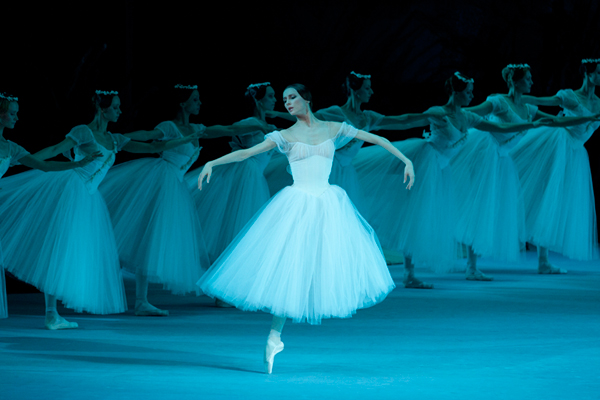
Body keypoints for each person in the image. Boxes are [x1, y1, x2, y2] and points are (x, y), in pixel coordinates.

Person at [196, 84, 414, 374]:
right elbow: (247, 153)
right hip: (296, 205)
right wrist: (213, 160)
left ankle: (275, 338)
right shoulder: (284, 136)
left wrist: (406, 159)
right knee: (290, 269)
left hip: (328, 203)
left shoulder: (334, 128)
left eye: (292, 97)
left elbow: (374, 137)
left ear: (307, 98)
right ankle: (274, 337)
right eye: (284, 99)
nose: (287, 102)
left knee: (321, 266)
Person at [0, 90, 199, 328]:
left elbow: (149, 148)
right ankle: (52, 314)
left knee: (72, 251)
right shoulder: (84, 132)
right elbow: (54, 150)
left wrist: (186, 140)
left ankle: (53, 313)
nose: (119, 111)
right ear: (102, 109)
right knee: (59, 248)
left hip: (88, 196)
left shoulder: (115, 139)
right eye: (115, 107)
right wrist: (21, 159)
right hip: (72, 189)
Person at [355, 72, 556, 284]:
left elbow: (500, 127)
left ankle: (410, 273)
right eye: (468, 92)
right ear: (455, 92)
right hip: (426, 162)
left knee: (427, 216)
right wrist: (375, 123)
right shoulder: (439, 113)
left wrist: (530, 124)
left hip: (441, 168)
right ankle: (409, 274)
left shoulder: (467, 117)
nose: (472, 96)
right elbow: (406, 121)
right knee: (416, 215)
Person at [454, 64, 599, 279]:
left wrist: (587, 118)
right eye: (528, 78)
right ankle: (471, 267)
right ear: (514, 81)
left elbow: (557, 121)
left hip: (503, 157)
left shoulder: (528, 109)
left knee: (497, 205)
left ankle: (480, 265)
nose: (532, 82)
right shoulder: (498, 102)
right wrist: (449, 113)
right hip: (486, 153)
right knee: (481, 205)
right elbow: (471, 113)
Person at [0, 92, 99, 320]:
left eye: (17, 113)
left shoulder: (11, 147)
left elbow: (43, 165)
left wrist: (77, 164)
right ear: (1, 115)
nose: (17, 118)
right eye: (12, 114)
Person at [512, 58, 600, 268]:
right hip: (559, 146)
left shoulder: (598, 102)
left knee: (558, 202)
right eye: (597, 72)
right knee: (547, 196)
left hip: (577, 153)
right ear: (587, 74)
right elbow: (544, 101)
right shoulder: (571, 96)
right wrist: (518, 97)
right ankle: (540, 258)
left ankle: (543, 259)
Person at [183, 83, 278, 270]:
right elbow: (231, 130)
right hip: (245, 176)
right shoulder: (248, 124)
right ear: (258, 100)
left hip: (256, 177)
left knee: (252, 229)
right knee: (240, 226)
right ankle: (225, 276)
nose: (275, 100)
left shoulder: (268, 126)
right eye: (271, 96)